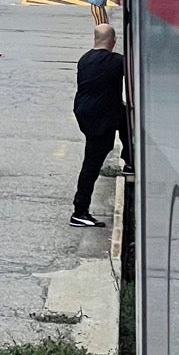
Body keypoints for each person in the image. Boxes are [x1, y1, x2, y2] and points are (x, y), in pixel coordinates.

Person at [70, 23, 128, 227]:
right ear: (113, 41)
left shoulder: (85, 59)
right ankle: (79, 211)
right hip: (98, 118)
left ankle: (129, 157)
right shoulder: (116, 62)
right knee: (91, 165)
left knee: (123, 115)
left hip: (85, 112)